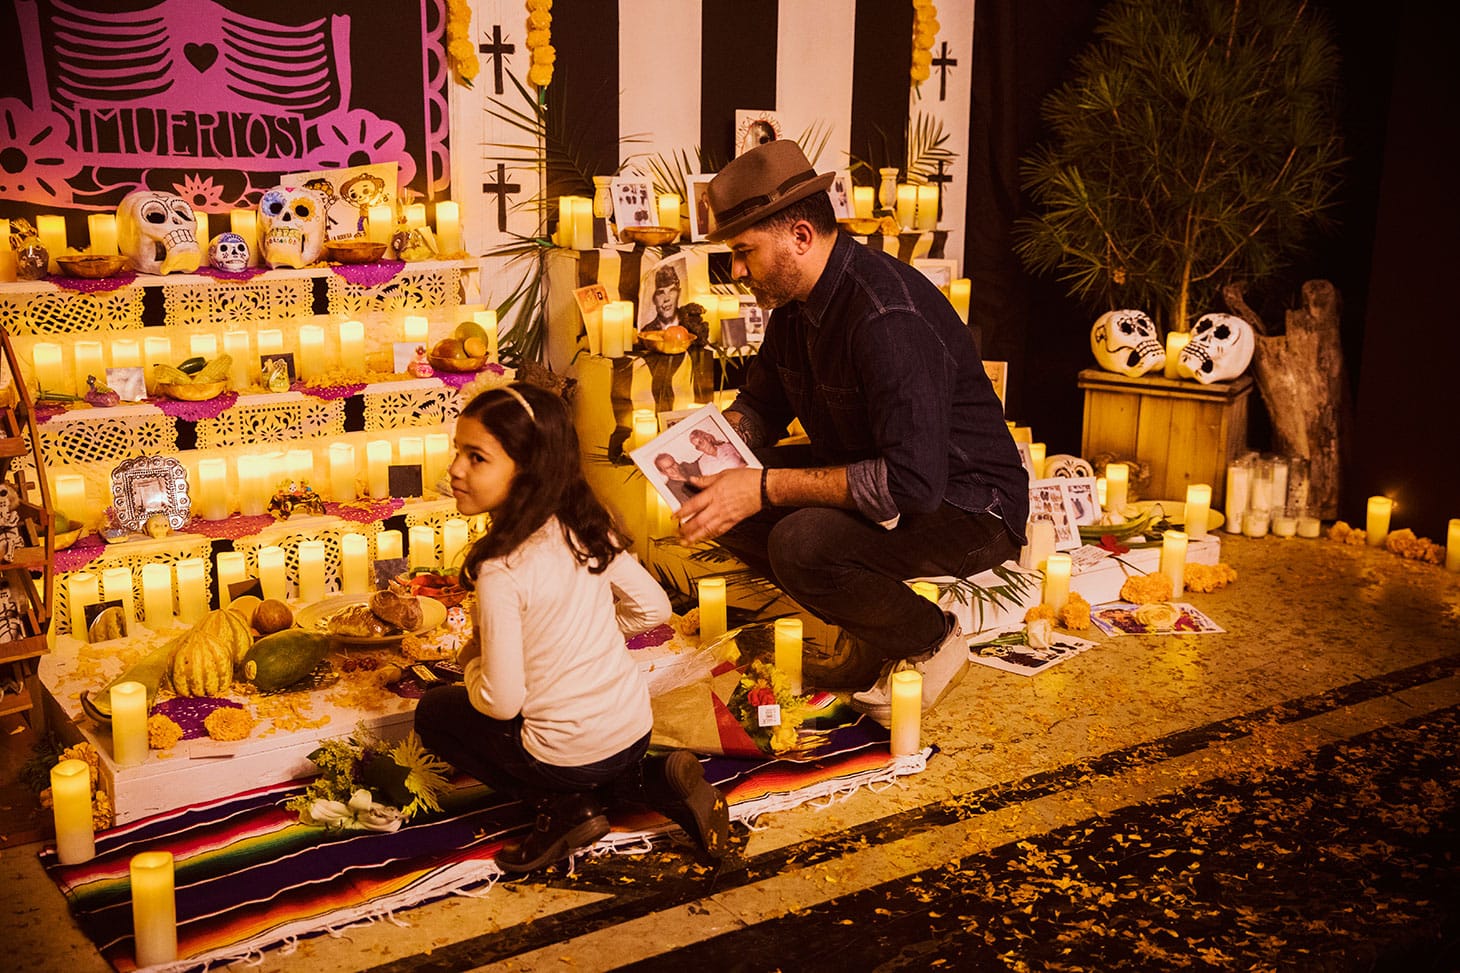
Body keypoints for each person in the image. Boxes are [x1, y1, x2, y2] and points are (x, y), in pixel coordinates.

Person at [674, 140, 1029, 726]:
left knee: (800, 543)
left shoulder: (886, 318)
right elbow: (762, 401)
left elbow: (913, 483)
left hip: (968, 504)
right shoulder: (793, 303)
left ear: (800, 237)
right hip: (881, 474)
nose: (736, 271)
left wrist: (761, 487)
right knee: (715, 503)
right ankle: (870, 630)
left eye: (743, 252)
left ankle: (931, 640)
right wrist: (708, 449)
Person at [414, 383, 729, 873]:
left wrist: (472, 661)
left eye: (477, 458)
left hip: (566, 754)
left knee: (438, 713)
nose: (455, 469)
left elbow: (501, 702)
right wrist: (584, 640)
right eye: (458, 451)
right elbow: (653, 608)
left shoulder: (502, 569)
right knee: (580, 739)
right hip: (633, 727)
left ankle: (563, 810)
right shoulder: (585, 523)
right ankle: (653, 781)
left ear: (527, 469)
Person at [644, 264, 685, 331]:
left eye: (672, 291)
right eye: (661, 293)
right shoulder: (646, 332)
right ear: (654, 299)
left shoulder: (690, 325)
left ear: (679, 294)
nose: (666, 299)